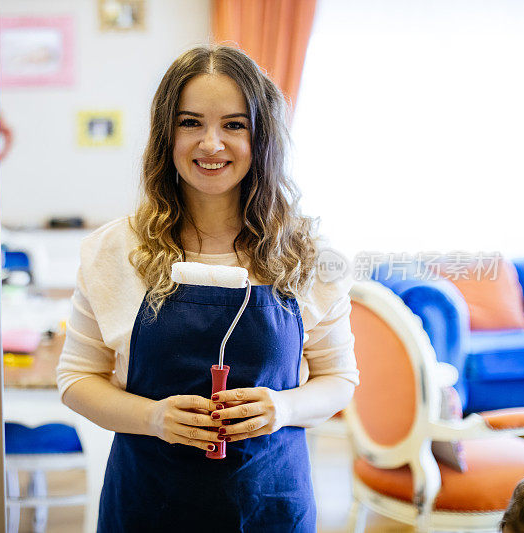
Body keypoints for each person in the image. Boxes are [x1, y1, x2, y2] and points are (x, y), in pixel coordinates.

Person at [56, 44, 358, 532]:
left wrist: (283, 407)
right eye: (190, 122)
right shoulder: (112, 251)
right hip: (147, 505)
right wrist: (154, 418)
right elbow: (76, 380)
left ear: (262, 138)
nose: (211, 144)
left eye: (234, 125)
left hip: (271, 506)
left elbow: (339, 379)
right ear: (165, 135)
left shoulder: (311, 256)